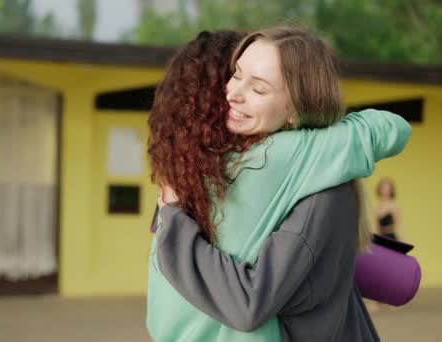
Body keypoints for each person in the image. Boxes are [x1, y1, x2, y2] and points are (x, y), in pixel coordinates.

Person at [147, 27, 411, 342]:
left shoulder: (198, 170)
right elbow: (391, 128)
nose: (232, 93)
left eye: (259, 89)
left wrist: (172, 217)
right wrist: (328, 132)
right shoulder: (304, 160)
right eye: (235, 74)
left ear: (294, 110)